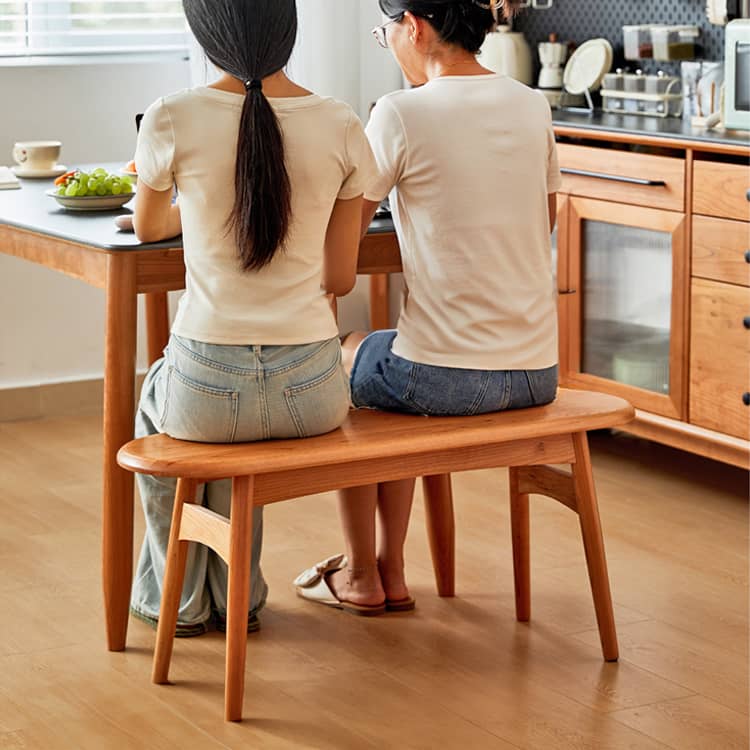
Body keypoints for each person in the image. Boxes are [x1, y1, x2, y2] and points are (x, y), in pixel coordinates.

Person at [295, 0, 560, 615]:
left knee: (349, 359)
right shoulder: (529, 102)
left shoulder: (400, 111)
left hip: (446, 381)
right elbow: (538, 222)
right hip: (536, 372)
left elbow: (345, 232)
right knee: (391, 353)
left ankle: (364, 572)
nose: (389, 44)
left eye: (386, 32)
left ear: (413, 26)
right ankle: (389, 567)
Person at [129, 0, 377, 636]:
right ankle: (238, 596)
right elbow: (340, 278)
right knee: (230, 437)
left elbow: (151, 224)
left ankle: (180, 604)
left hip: (207, 386)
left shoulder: (172, 115)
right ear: (286, 32)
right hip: (313, 395)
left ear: (206, 33)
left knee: (165, 410)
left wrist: (204, 204)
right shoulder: (340, 121)